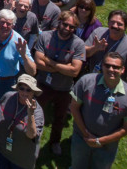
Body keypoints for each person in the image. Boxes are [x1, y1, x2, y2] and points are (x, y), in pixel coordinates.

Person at [68, 53, 127, 169]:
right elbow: (74, 107)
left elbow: (126, 129)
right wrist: (86, 134)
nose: (111, 69)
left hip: (107, 146)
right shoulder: (86, 82)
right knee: (77, 166)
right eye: (107, 65)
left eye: (116, 67)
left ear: (123, 70)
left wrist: (100, 141)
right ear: (102, 66)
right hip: (82, 138)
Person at [32, 10, 86, 155]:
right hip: (43, 84)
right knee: (35, 113)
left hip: (64, 89)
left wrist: (51, 63)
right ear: (59, 22)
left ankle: (55, 142)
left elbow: (75, 71)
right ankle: (32, 138)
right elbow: (38, 62)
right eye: (65, 24)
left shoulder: (79, 44)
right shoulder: (45, 36)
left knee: (59, 119)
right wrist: (63, 68)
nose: (67, 28)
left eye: (72, 27)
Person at [0, 74, 43, 169]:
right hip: (2, 150)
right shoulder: (8, 97)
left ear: (34, 92)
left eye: (28, 90)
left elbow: (31, 135)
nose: (24, 92)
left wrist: (30, 113)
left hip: (21, 159)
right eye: (22, 88)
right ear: (18, 88)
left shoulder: (37, 112)